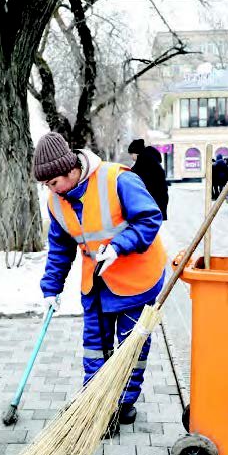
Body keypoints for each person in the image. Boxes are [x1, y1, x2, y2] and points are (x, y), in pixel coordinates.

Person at [34, 132, 166, 435]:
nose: (50, 191)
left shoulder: (118, 179)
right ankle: (95, 401)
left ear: (71, 170)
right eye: (45, 186)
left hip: (137, 278)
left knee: (131, 346)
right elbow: (60, 247)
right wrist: (50, 288)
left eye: (53, 183)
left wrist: (120, 246)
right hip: (97, 283)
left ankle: (122, 403)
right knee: (95, 346)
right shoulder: (57, 202)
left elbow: (149, 219)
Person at [128, 139, 169, 221]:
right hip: (159, 201)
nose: (131, 157)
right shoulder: (151, 160)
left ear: (136, 152)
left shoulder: (144, 162)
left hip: (152, 203)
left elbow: (133, 177)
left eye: (131, 154)